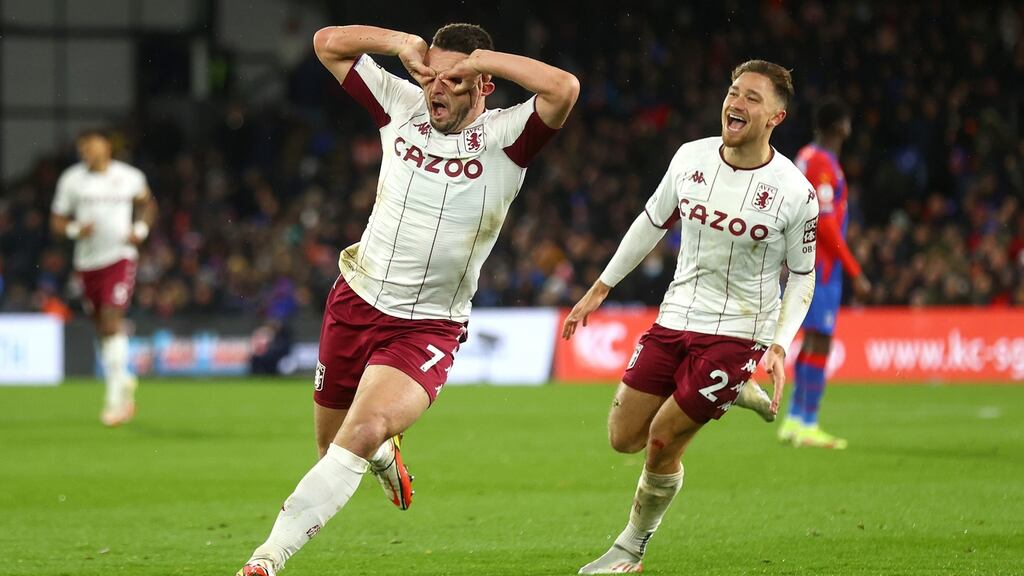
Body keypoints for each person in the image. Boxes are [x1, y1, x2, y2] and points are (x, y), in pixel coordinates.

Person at [236, 22, 578, 576]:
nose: (435, 89)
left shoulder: (509, 138)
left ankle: (266, 558)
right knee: (332, 450)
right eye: (430, 77)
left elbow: (563, 88)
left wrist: (484, 60)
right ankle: (382, 456)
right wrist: (400, 46)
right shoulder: (401, 103)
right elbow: (326, 43)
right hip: (356, 299)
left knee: (363, 427)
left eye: (453, 79)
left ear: (483, 84)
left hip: (425, 327)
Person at [562, 60, 818, 574]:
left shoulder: (795, 191)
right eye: (732, 92)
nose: (736, 103)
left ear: (776, 117)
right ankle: (737, 392)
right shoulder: (690, 158)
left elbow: (804, 276)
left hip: (740, 332)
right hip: (676, 316)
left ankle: (630, 549)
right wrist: (599, 288)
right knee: (623, 437)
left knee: (661, 441)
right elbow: (651, 221)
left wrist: (779, 343)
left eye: (751, 98)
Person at [776, 97, 870, 449]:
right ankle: (807, 422)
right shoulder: (821, 162)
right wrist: (855, 270)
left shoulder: (807, 157)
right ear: (840, 126)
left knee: (812, 338)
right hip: (821, 265)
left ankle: (796, 421)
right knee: (821, 340)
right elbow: (826, 223)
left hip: (808, 261)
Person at [50, 129, 157, 426]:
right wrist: (74, 230)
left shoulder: (129, 177)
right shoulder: (72, 180)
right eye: (82, 147)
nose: (86, 151)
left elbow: (148, 204)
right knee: (101, 327)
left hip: (120, 257)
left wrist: (140, 231)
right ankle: (123, 378)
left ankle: (115, 401)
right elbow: (57, 220)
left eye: (91, 146)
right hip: (87, 262)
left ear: (106, 147)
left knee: (112, 321)